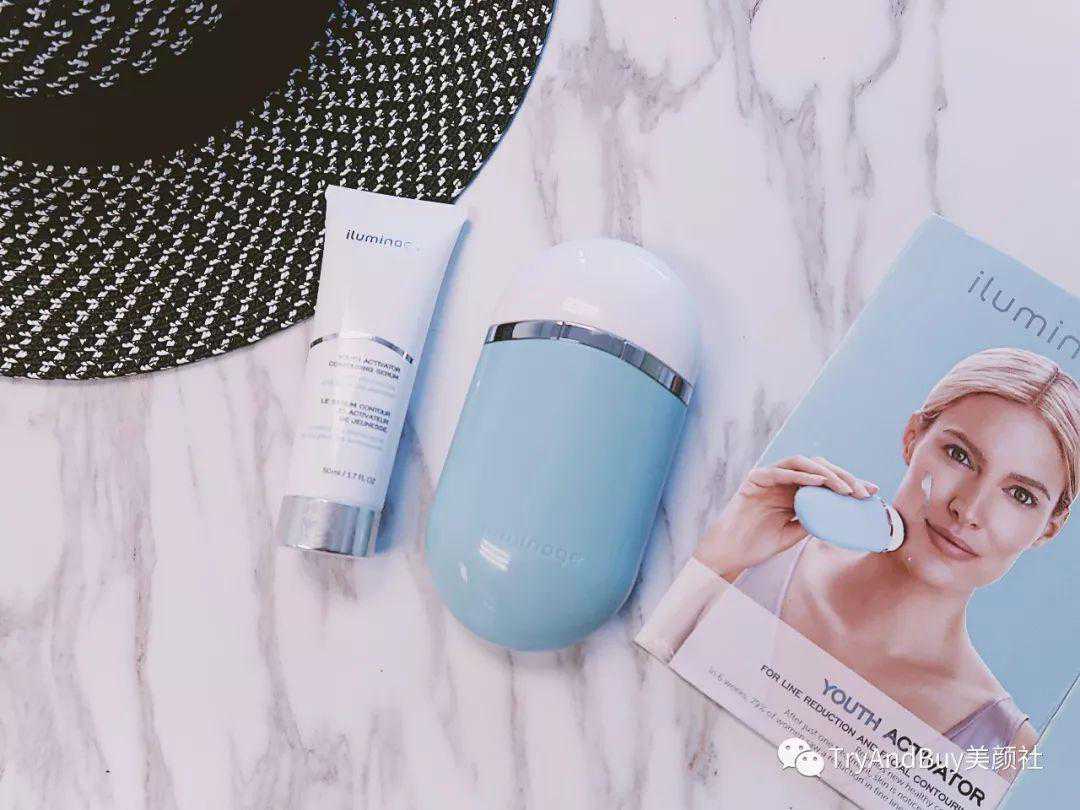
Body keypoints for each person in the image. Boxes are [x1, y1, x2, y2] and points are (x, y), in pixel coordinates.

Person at [639, 348, 1080, 779]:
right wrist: (716, 559)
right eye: (959, 455)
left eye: (1020, 495)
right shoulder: (750, 554)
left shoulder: (1008, 753)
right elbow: (634, 686)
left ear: (1048, 529)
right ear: (912, 438)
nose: (968, 510)